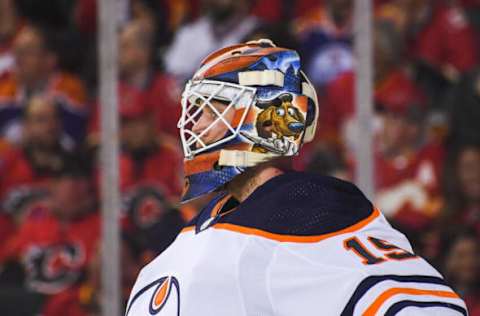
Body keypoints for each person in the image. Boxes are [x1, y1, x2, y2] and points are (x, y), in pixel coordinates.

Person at [126, 39, 467, 315]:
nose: (195, 126)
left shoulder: (304, 215)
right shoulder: (228, 221)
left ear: (268, 119)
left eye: (214, 110)